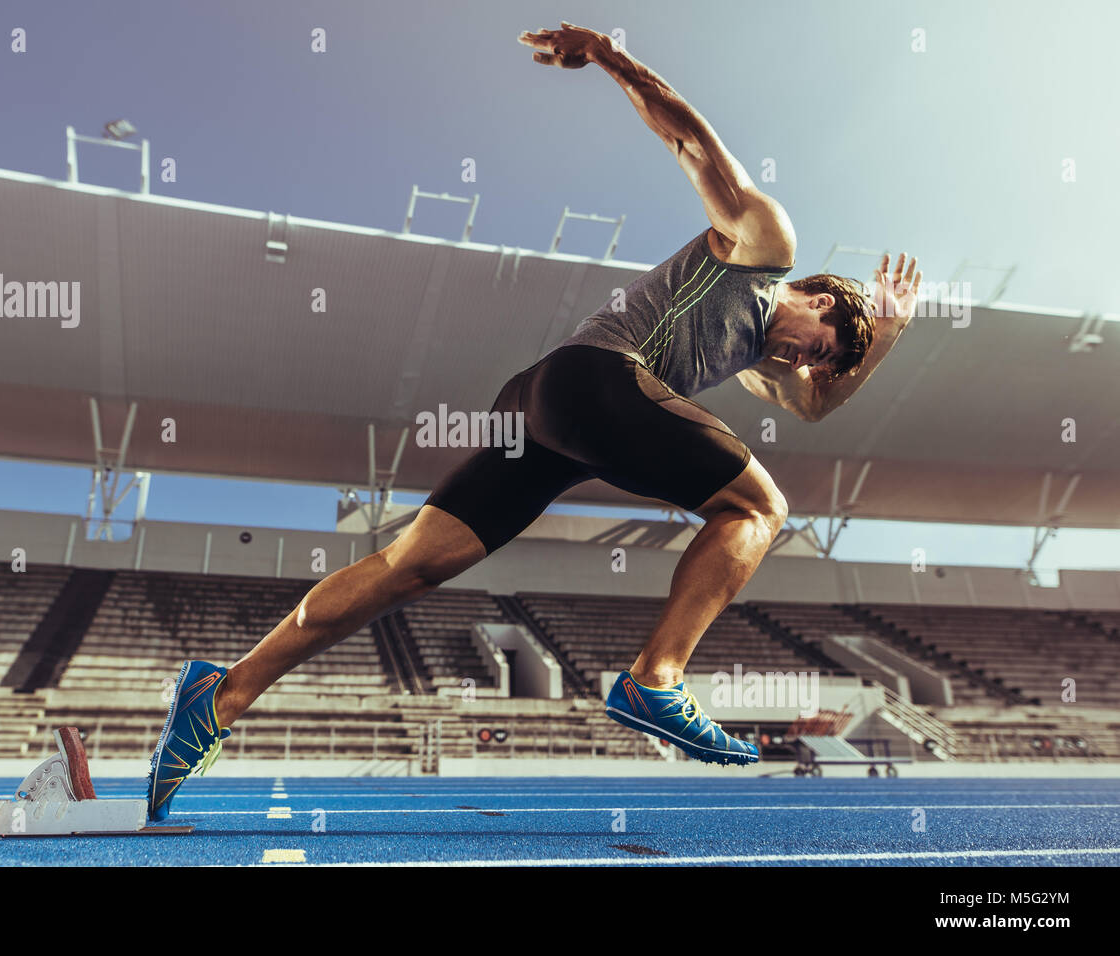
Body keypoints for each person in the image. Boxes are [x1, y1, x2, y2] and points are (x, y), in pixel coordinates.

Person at [147, 22, 920, 820]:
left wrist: (886, 337)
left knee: (409, 565)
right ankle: (655, 679)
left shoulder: (761, 359)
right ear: (820, 301)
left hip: (539, 413)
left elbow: (815, 408)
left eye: (814, 364)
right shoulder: (764, 247)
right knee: (761, 508)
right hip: (592, 381)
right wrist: (611, 58)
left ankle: (220, 695)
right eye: (816, 349)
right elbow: (692, 143)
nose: (802, 368)